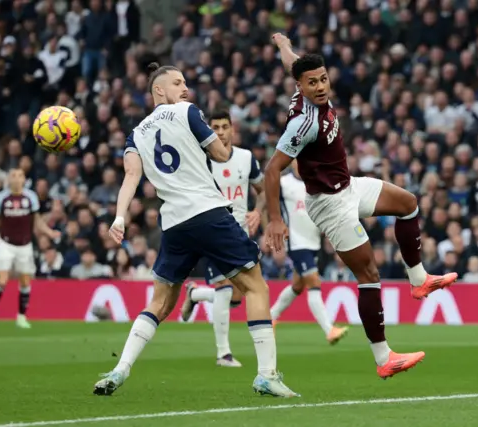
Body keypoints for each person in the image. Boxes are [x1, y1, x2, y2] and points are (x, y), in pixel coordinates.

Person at [93, 63, 298, 397]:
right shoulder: (187, 111)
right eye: (177, 82)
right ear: (158, 90)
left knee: (160, 302)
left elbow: (131, 176)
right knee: (256, 287)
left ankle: (120, 369)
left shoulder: (137, 133)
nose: (185, 87)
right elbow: (219, 153)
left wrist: (119, 217)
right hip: (208, 212)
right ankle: (266, 374)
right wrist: (207, 135)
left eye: (186, 82)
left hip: (173, 224)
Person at [264, 34, 458, 380]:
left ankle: (419, 280)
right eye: (312, 83)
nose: (321, 86)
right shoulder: (303, 123)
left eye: (323, 79)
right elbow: (272, 169)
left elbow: (291, 62)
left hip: (349, 186)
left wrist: (282, 44)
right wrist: (276, 220)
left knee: (408, 203)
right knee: (369, 275)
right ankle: (384, 358)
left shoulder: (303, 85)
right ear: (300, 87)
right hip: (329, 204)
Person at [179, 110, 265, 368]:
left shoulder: (246, 158)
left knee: (236, 296)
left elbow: (261, 189)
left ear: (232, 130)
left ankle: (196, 294)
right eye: (214, 127)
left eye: (224, 127)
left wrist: (258, 211)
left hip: (240, 233)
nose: (220, 132)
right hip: (213, 230)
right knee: (226, 290)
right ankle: (223, 353)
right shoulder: (200, 160)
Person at [269, 160, 348, 344]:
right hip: (296, 243)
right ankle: (329, 330)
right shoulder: (283, 183)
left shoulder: (315, 182)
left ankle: (269, 317)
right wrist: (272, 228)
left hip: (313, 242)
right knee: (314, 282)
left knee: (297, 285)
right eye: (297, 159)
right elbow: (267, 202)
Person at [0, 168, 60, 329]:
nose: (16, 178)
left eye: (19, 176)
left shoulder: (30, 197)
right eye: (13, 175)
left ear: (24, 179)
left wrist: (49, 232)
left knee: (25, 281)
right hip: (6, 243)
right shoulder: (2, 197)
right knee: (2, 280)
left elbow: (36, 220)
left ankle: (21, 317)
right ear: (9, 179)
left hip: (25, 244)